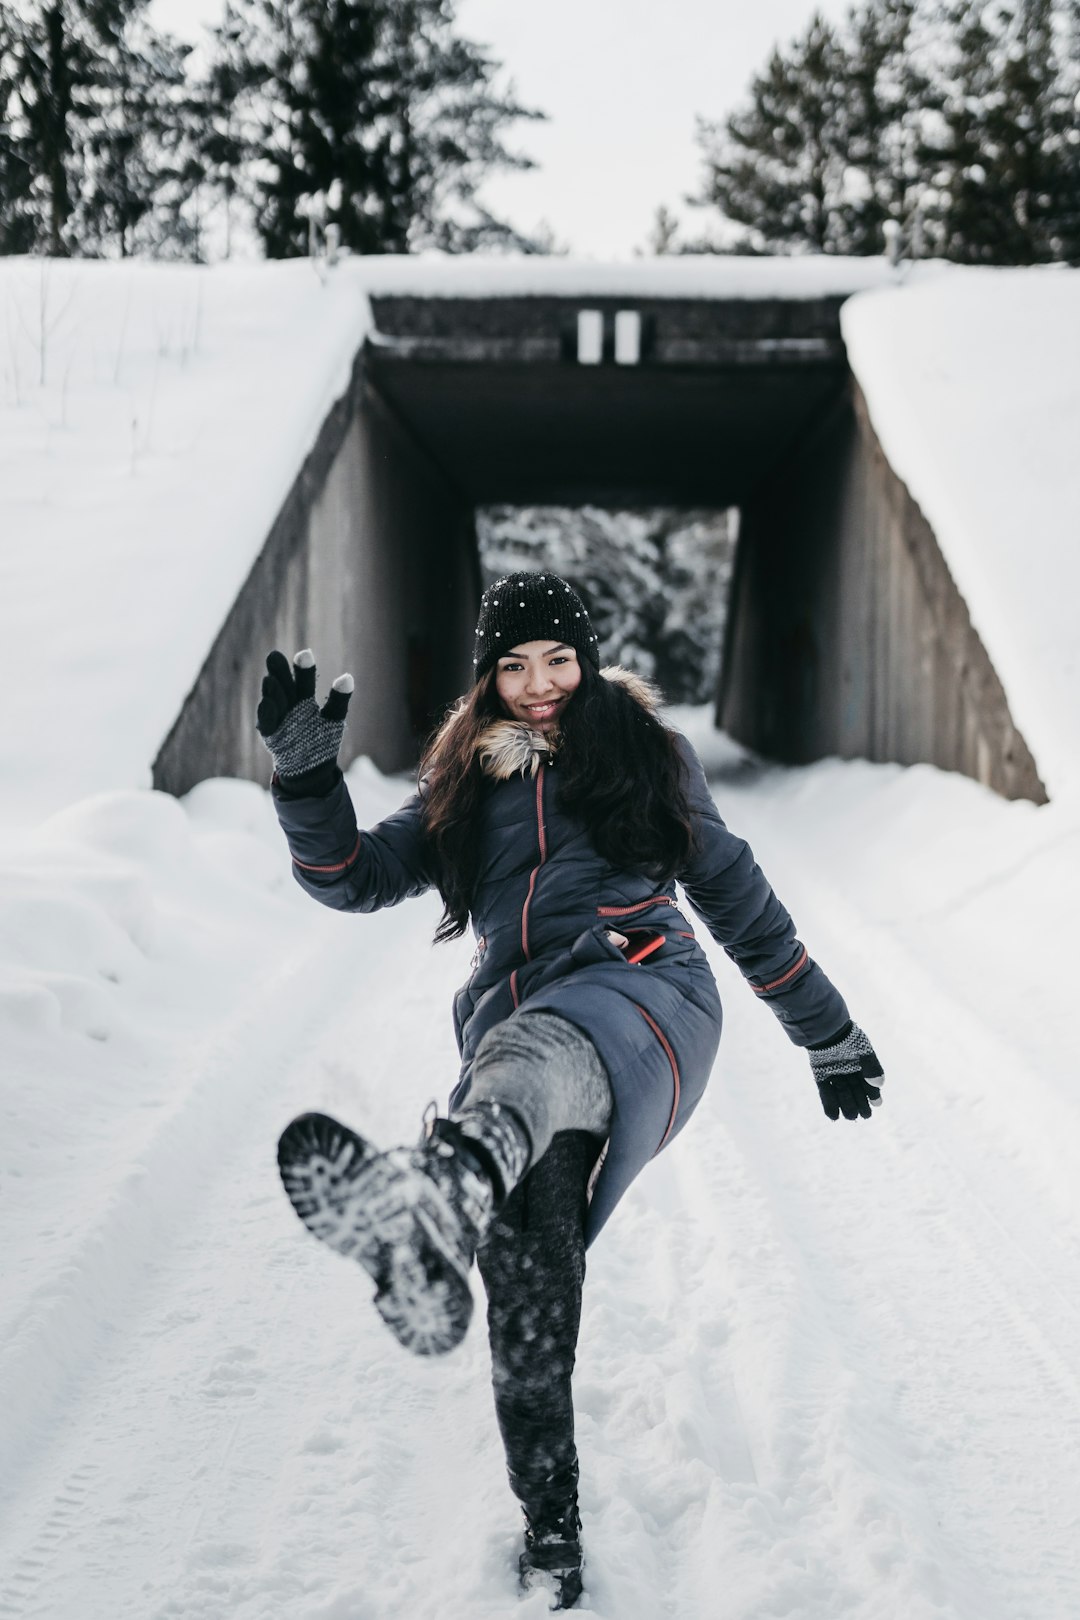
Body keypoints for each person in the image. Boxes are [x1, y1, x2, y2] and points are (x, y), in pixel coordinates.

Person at [259, 571, 884, 1611]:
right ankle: (550, 1523)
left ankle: (441, 1186)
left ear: (587, 662)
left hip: (643, 995)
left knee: (529, 1057)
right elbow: (352, 878)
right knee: (528, 1264)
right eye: (514, 666)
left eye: (557, 660)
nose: (540, 683)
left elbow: (738, 898)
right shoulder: (467, 778)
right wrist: (306, 783)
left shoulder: (647, 754)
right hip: (518, 1037)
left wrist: (827, 1032)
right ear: (488, 678)